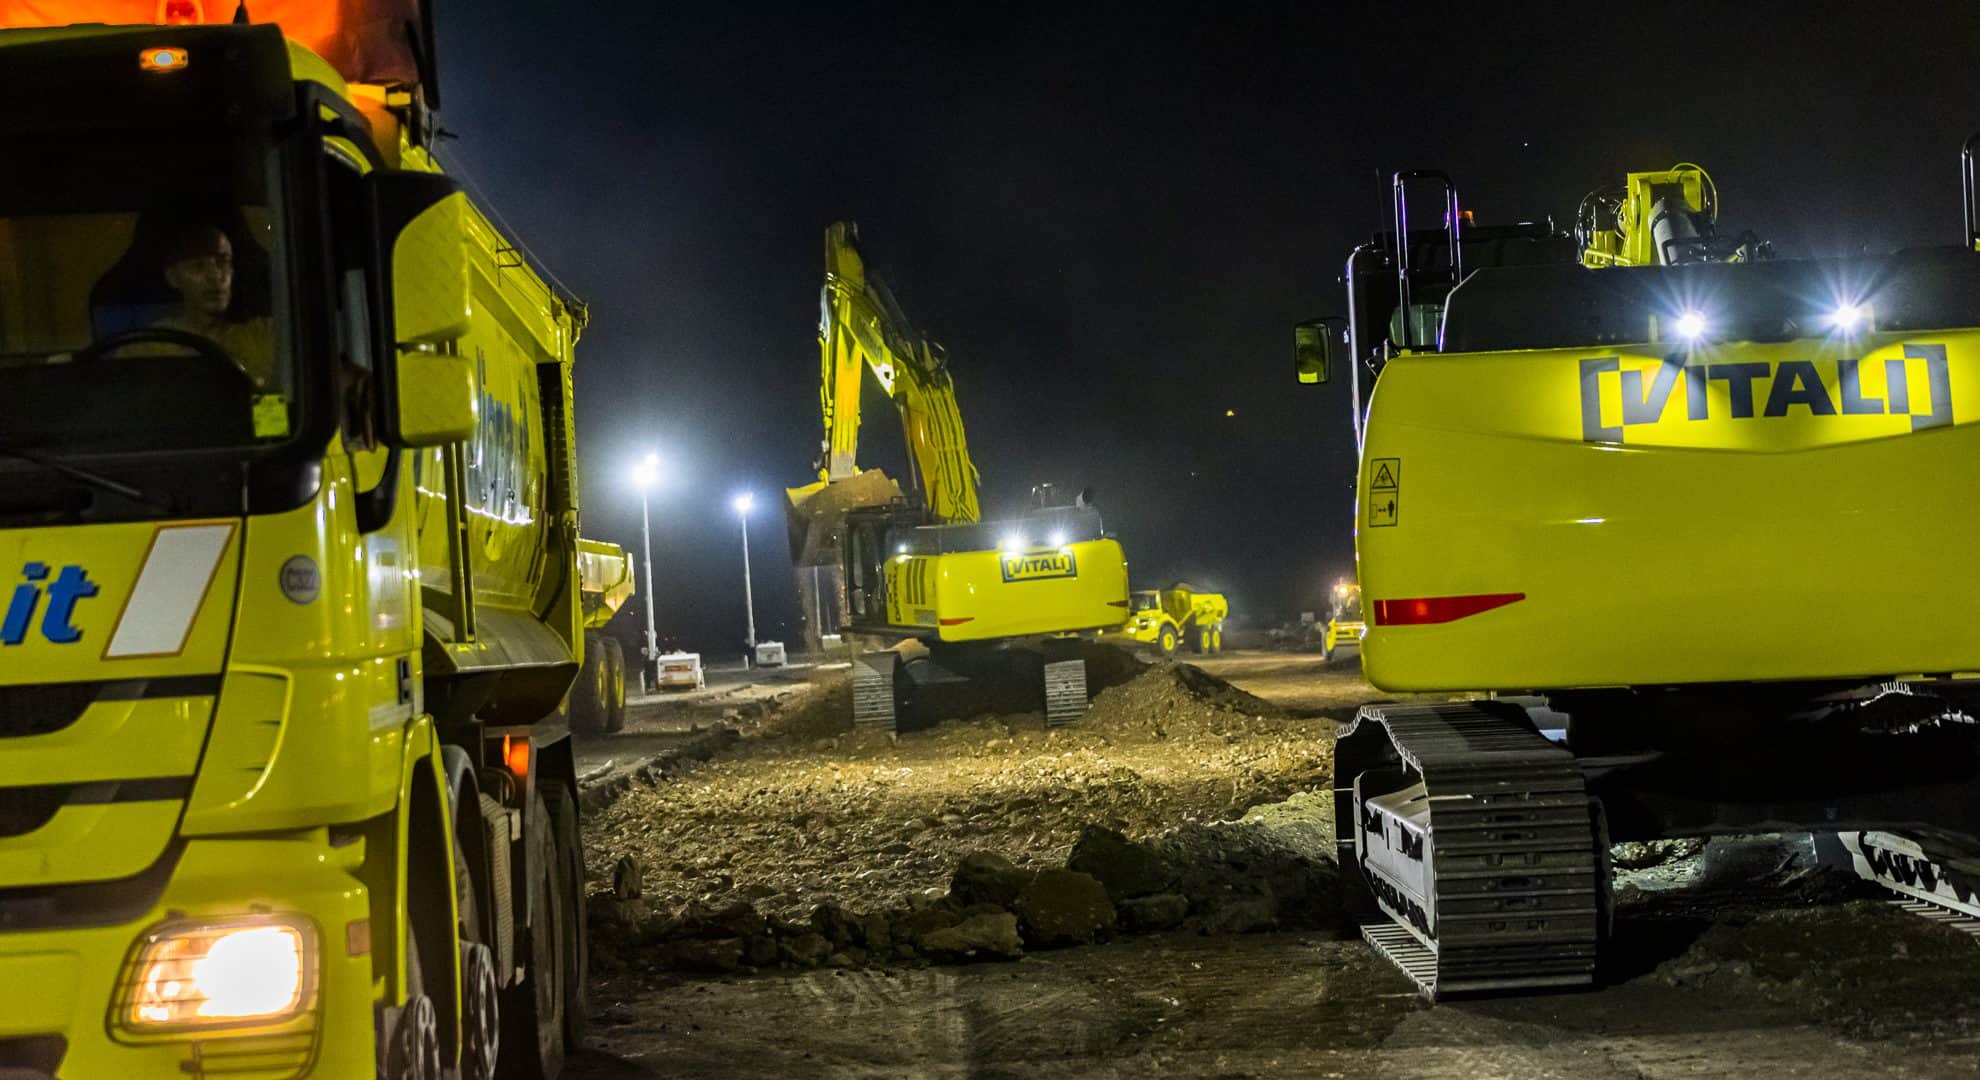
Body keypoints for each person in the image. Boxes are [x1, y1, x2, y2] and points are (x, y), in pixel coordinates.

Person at [150, 220, 275, 385]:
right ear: (173, 277)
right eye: (198, 266)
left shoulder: (266, 335)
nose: (215, 276)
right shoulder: (150, 346)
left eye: (222, 262)